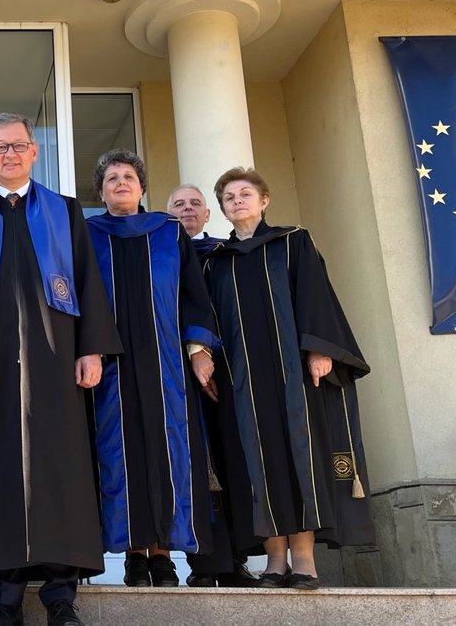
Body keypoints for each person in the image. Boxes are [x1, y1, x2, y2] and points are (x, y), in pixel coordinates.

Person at [0, 113, 121, 626]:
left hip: (54, 359)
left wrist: (90, 347)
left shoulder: (65, 212)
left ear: (34, 152)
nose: (9, 154)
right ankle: (5, 596)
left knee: (60, 463)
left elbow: (88, 281)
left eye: (18, 145)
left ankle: (61, 594)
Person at [201, 167, 375, 590]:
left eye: (246, 193)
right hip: (241, 381)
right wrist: (203, 356)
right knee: (257, 464)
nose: (237, 201)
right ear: (222, 208)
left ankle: (304, 559)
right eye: (228, 197)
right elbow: (204, 317)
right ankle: (274, 561)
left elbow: (315, 295)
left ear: (264, 201)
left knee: (300, 458)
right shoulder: (215, 262)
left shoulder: (292, 242)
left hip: (293, 377)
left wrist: (319, 349)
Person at [85, 151, 220, 588]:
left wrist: (199, 349)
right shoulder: (86, 235)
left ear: (142, 187)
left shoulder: (168, 232)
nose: (120, 183)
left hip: (166, 363)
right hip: (110, 368)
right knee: (118, 451)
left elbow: (194, 294)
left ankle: (162, 554)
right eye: (111, 179)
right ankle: (131, 553)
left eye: (128, 177)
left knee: (166, 449)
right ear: (101, 190)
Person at [166, 183, 257, 588]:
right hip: (176, 377)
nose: (187, 210)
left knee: (232, 463)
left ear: (208, 215)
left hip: (227, 374)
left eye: (195, 204)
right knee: (191, 468)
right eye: (178, 205)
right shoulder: (160, 256)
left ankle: (236, 560)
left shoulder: (226, 255)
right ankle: (202, 564)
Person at [167, 183, 221, 251]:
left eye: (195, 203)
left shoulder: (224, 250)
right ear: (169, 217)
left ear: (207, 215)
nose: (188, 207)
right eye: (179, 204)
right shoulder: (157, 252)